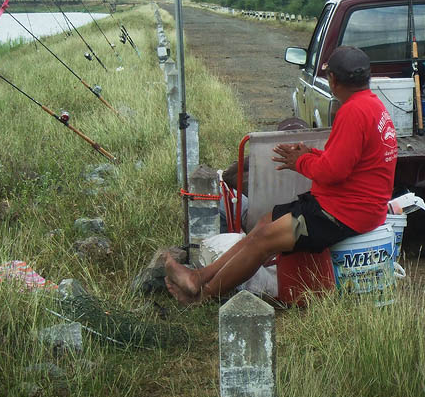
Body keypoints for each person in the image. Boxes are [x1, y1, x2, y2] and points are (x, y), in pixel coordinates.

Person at [164, 46, 398, 304]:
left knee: (263, 240)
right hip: (343, 207)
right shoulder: (373, 106)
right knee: (264, 223)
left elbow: (333, 172)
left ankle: (202, 296)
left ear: (333, 80)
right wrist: (310, 154)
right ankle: (198, 278)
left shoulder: (353, 112)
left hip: (342, 215)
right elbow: (350, 163)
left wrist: (300, 161)